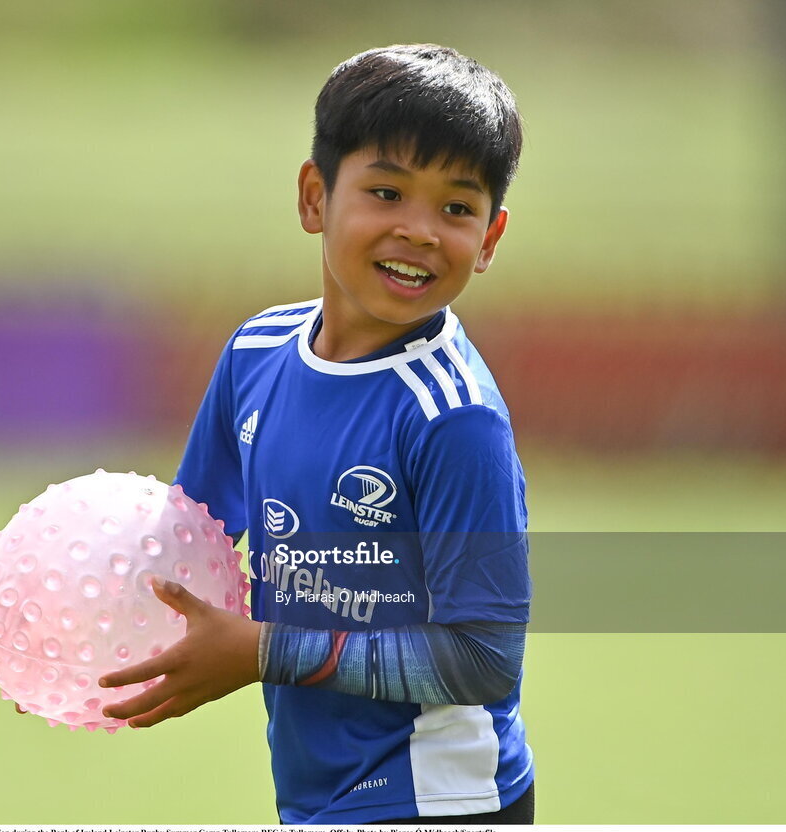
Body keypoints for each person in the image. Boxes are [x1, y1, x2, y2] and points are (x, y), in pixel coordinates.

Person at [99, 44, 534, 825]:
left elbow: (484, 658)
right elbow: (190, 539)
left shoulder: (452, 417)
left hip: (438, 799)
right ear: (313, 197)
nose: (421, 231)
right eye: (387, 191)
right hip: (316, 795)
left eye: (456, 209)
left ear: (491, 237)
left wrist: (263, 650)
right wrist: (79, 626)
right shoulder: (256, 354)